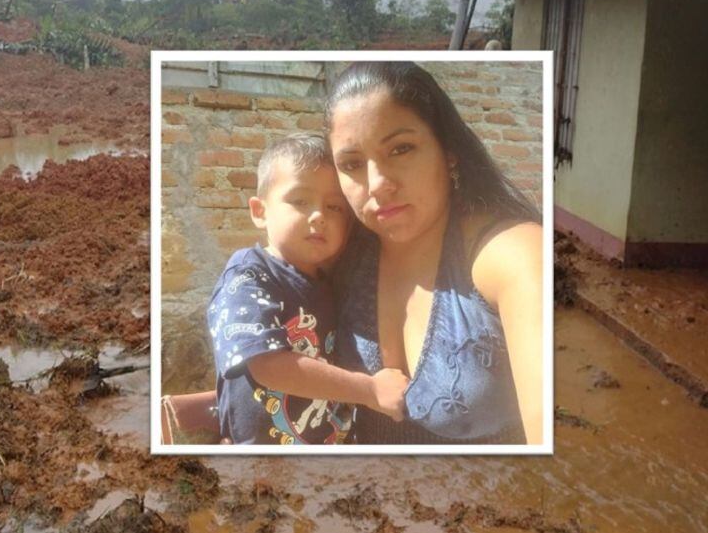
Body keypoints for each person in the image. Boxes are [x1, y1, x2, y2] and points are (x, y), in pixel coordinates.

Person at [325, 61, 543, 445]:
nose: (377, 184)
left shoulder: (511, 254)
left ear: (449, 152)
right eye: (352, 164)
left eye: (401, 148)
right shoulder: (341, 255)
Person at [209, 133, 409, 445]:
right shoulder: (248, 274)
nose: (319, 216)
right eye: (300, 201)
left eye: (335, 207)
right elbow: (267, 364)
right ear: (259, 211)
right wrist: (369, 390)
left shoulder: (331, 281)